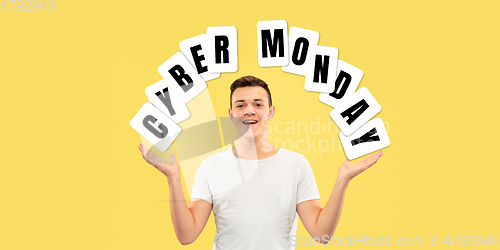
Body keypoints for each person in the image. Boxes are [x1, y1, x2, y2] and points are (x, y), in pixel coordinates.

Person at [138, 75, 383, 249]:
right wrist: (173, 177)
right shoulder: (211, 166)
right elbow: (186, 235)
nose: (249, 111)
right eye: (241, 105)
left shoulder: (295, 164)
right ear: (231, 113)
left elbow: (321, 235)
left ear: (271, 111)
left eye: (258, 104)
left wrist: (342, 180)